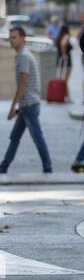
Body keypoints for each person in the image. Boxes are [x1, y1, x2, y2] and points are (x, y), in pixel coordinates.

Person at [0, 27, 53, 174]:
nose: (11, 40)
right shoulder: (22, 55)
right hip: (26, 105)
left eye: (14, 37)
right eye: (10, 37)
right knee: (15, 137)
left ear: (23, 39)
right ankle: (3, 167)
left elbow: (22, 84)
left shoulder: (23, 56)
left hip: (29, 104)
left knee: (37, 138)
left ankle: (48, 167)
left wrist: (12, 107)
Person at [56, 25, 73, 102]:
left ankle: (62, 95)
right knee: (65, 80)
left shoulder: (58, 37)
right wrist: (64, 54)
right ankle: (68, 97)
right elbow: (63, 44)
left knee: (62, 79)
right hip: (66, 61)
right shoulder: (66, 36)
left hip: (59, 60)